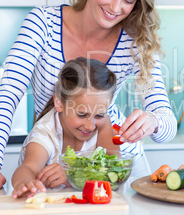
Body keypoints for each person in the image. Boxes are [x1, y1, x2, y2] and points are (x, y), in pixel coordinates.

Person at [0, 0, 177, 195]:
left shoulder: (135, 41)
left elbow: (166, 122)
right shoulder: (42, 24)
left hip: (115, 165)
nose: (116, 7)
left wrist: (153, 122)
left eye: (129, 1)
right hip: (54, 160)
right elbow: (7, 98)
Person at [11, 57, 118, 198]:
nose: (90, 126)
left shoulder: (103, 125)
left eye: (99, 115)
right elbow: (27, 168)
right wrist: (24, 184)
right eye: (81, 114)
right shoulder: (45, 131)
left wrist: (74, 176)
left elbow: (116, 169)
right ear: (60, 103)